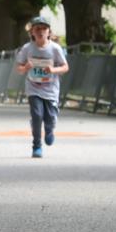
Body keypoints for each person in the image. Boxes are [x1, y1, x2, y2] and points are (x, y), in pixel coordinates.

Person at [15, 16, 69, 158]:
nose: (41, 31)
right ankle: (37, 146)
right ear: (32, 32)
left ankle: (50, 130)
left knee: (50, 118)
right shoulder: (27, 48)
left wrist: (53, 70)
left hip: (51, 89)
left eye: (44, 28)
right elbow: (18, 68)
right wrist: (25, 67)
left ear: (49, 32)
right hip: (33, 88)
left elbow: (65, 67)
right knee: (37, 115)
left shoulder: (55, 48)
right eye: (37, 29)